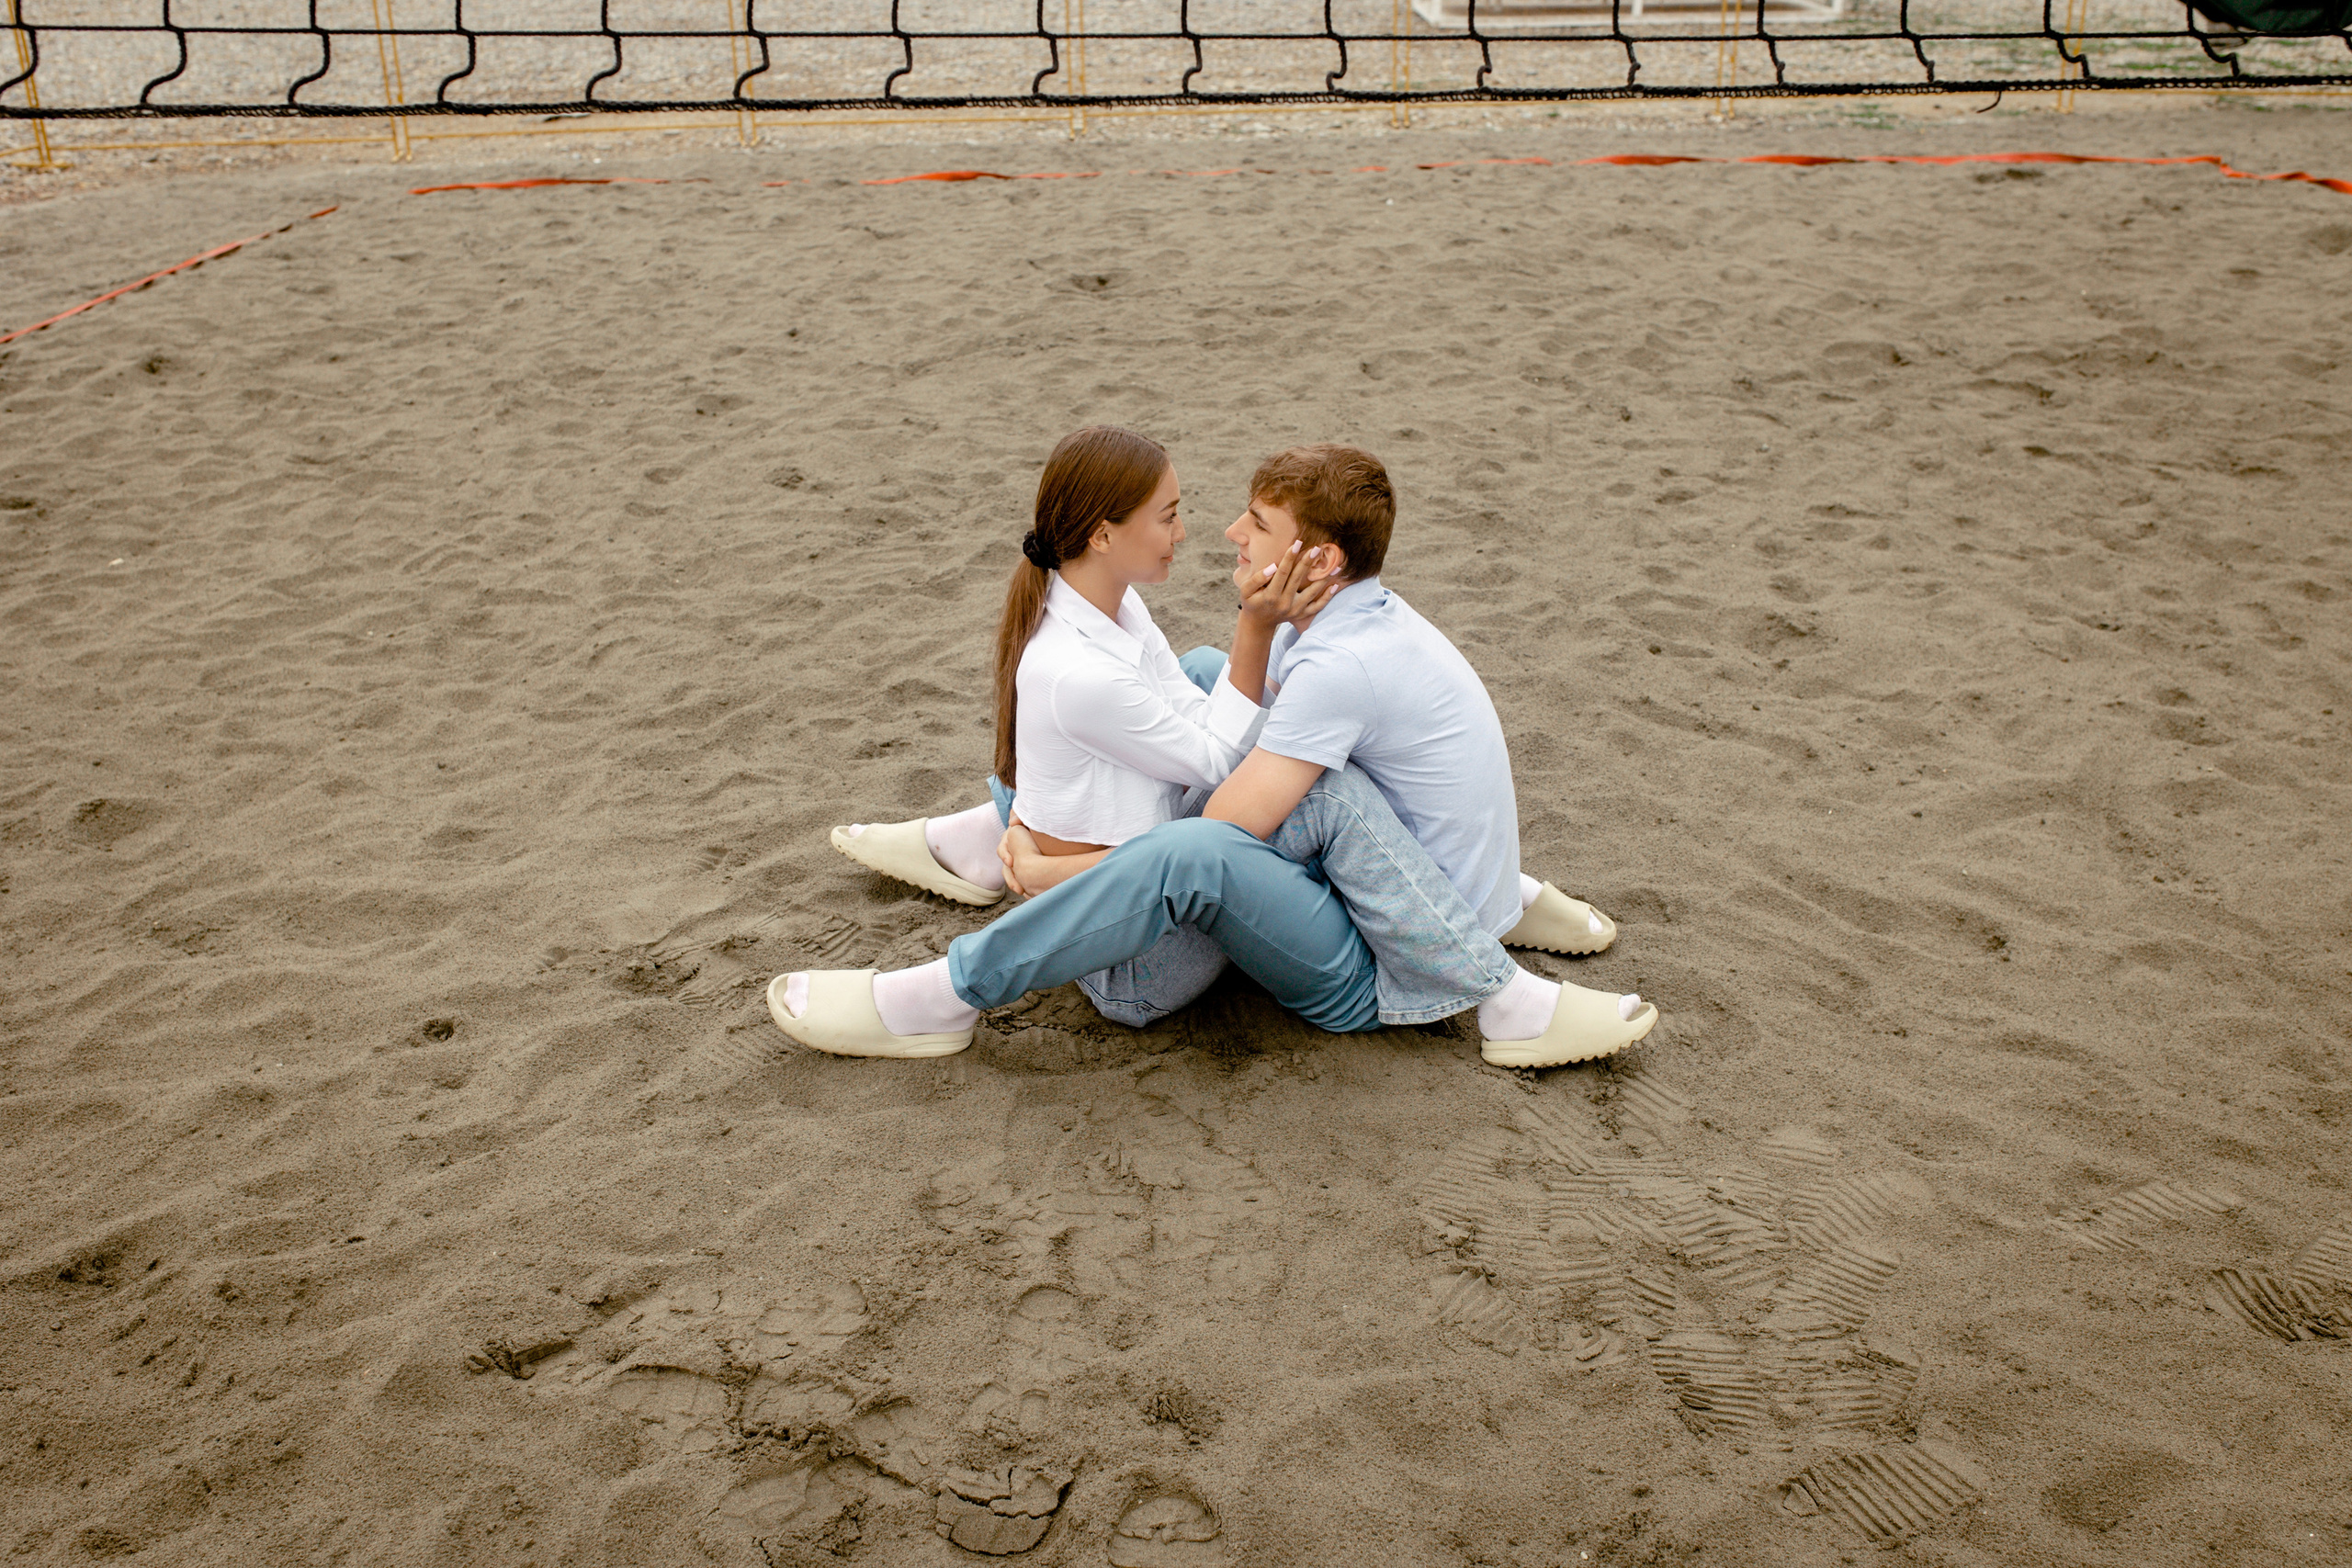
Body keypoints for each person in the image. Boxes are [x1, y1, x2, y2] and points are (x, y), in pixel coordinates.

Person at [780, 439, 1657, 1066]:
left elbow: (1217, 828)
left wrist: (1054, 871)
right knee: (1214, 684)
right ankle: (994, 833)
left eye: (1258, 522)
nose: (1230, 531)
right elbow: (1219, 746)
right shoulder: (1348, 622)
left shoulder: (1335, 667)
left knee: (1279, 795)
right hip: (1362, 887)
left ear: (1319, 558)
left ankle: (947, 979)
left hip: (1367, 943)